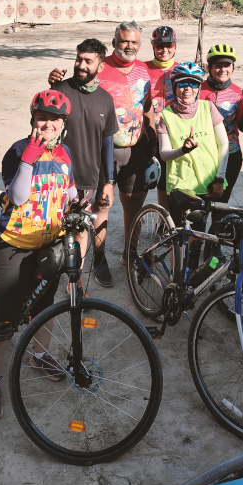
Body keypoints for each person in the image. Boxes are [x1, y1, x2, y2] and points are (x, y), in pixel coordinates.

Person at [0, 90, 77, 421]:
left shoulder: (65, 154)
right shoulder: (18, 151)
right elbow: (19, 197)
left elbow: (71, 193)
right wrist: (29, 159)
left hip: (48, 244)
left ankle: (40, 354)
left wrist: (80, 204)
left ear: (63, 124)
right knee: (6, 314)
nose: (48, 123)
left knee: (43, 307)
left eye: (55, 119)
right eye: (42, 117)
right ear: (32, 119)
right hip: (12, 242)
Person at [47, 38, 118, 280]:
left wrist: (109, 181)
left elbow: (107, 143)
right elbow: (42, 128)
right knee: (59, 229)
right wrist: (49, 89)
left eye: (88, 61)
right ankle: (63, 276)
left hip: (90, 177)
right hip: (59, 177)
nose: (81, 65)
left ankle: (88, 270)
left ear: (100, 66)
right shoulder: (59, 90)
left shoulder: (106, 100)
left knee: (87, 226)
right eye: (79, 59)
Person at [93, 20, 157, 286]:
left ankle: (129, 255)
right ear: (114, 41)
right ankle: (99, 260)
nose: (129, 46)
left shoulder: (143, 69)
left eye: (134, 42)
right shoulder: (100, 67)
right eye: (124, 41)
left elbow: (148, 107)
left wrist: (152, 143)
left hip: (135, 150)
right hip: (105, 149)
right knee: (102, 207)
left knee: (133, 205)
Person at [157, 62, 229, 226]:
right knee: (179, 234)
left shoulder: (208, 107)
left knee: (199, 233)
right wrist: (183, 150)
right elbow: (164, 154)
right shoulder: (166, 116)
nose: (188, 88)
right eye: (182, 83)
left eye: (193, 84)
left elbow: (223, 144)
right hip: (180, 184)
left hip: (209, 182)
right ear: (175, 87)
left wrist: (219, 178)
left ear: (198, 87)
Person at [200, 43, 243, 202]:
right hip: (203, 157)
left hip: (230, 156)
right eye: (218, 65)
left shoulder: (238, 93)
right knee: (200, 209)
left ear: (233, 67)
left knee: (221, 207)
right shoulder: (197, 90)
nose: (223, 70)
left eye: (227, 65)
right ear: (209, 67)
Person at [145, 25, 178, 209]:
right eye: (159, 46)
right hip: (147, 133)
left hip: (172, 134)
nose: (164, 50)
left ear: (175, 46)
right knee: (144, 181)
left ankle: (165, 222)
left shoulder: (182, 70)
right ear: (152, 46)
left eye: (168, 45)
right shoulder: (142, 69)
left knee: (168, 179)